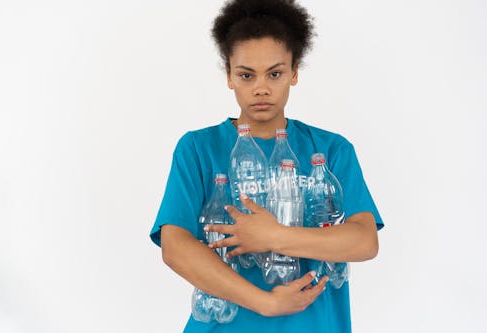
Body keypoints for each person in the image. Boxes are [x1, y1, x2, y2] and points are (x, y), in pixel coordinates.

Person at [150, 0, 384, 332]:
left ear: (294, 71)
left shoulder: (331, 150)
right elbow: (175, 246)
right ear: (230, 76)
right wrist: (265, 302)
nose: (261, 88)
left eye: (274, 73)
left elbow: (364, 241)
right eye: (246, 75)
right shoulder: (198, 148)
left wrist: (274, 236)